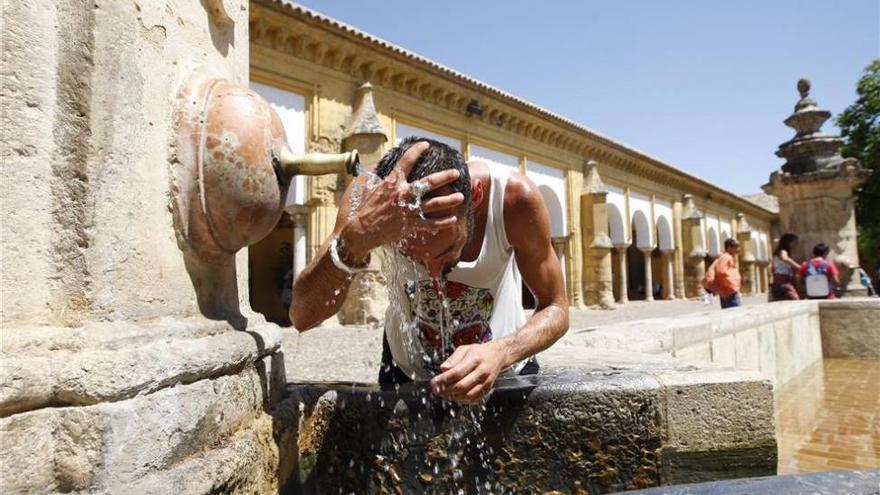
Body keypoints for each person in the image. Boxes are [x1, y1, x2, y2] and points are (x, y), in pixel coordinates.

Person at [290, 138, 569, 405]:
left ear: (475, 197)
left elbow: (556, 307)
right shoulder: (369, 201)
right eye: (413, 258)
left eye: (446, 253)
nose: (433, 275)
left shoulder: (514, 199)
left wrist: (501, 352)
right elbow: (303, 316)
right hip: (404, 370)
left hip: (503, 369)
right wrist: (353, 241)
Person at [702, 238, 742, 309]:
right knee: (735, 313)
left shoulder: (724, 257)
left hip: (726, 292)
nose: (738, 249)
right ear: (729, 247)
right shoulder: (726, 257)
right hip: (730, 292)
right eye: (736, 247)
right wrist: (732, 285)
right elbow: (721, 271)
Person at [770, 233, 800, 301]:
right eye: (794, 242)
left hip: (780, 280)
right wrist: (798, 267)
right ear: (788, 242)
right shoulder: (783, 251)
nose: (796, 244)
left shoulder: (778, 252)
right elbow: (784, 258)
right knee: (795, 299)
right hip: (783, 281)